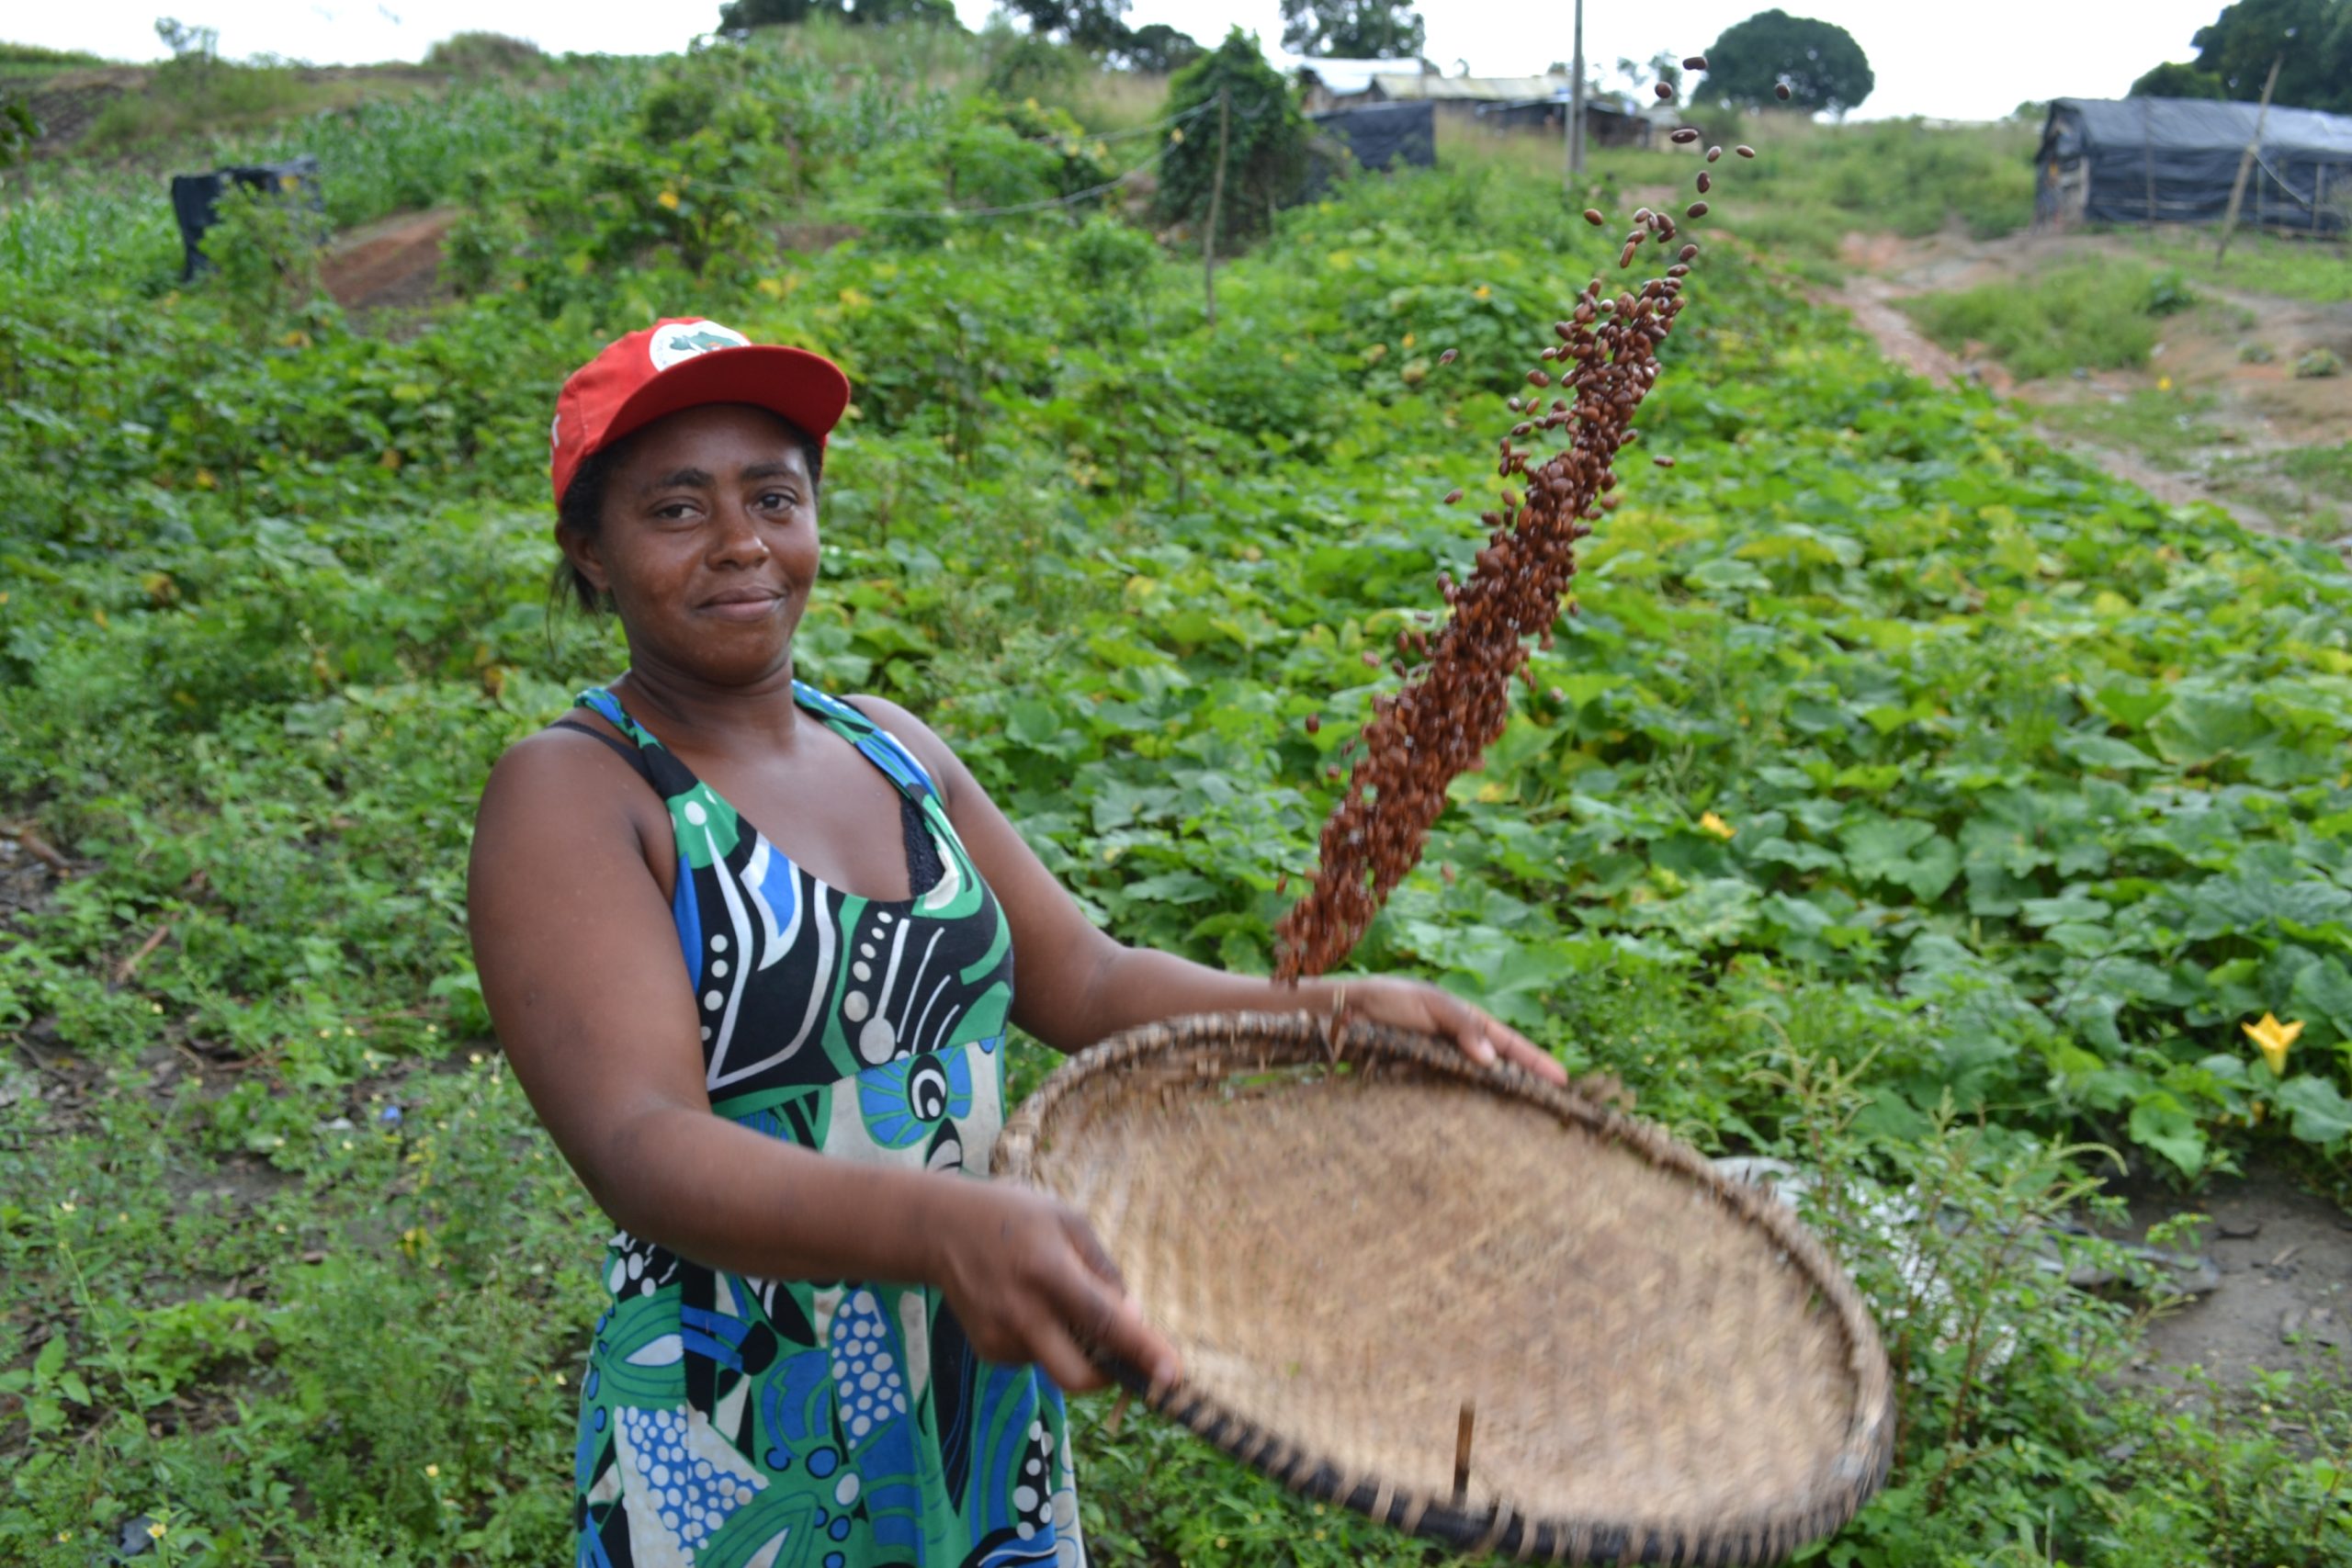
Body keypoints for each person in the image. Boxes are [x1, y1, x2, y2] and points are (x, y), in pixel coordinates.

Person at [467, 317, 1567, 1568]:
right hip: (746, 1404)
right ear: (589, 551)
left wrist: (1323, 1010)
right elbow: (642, 1145)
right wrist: (942, 1225)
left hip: (971, 1374)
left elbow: (1086, 978)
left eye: (774, 496)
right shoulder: (579, 794)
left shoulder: (889, 744)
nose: (742, 545)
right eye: (676, 510)